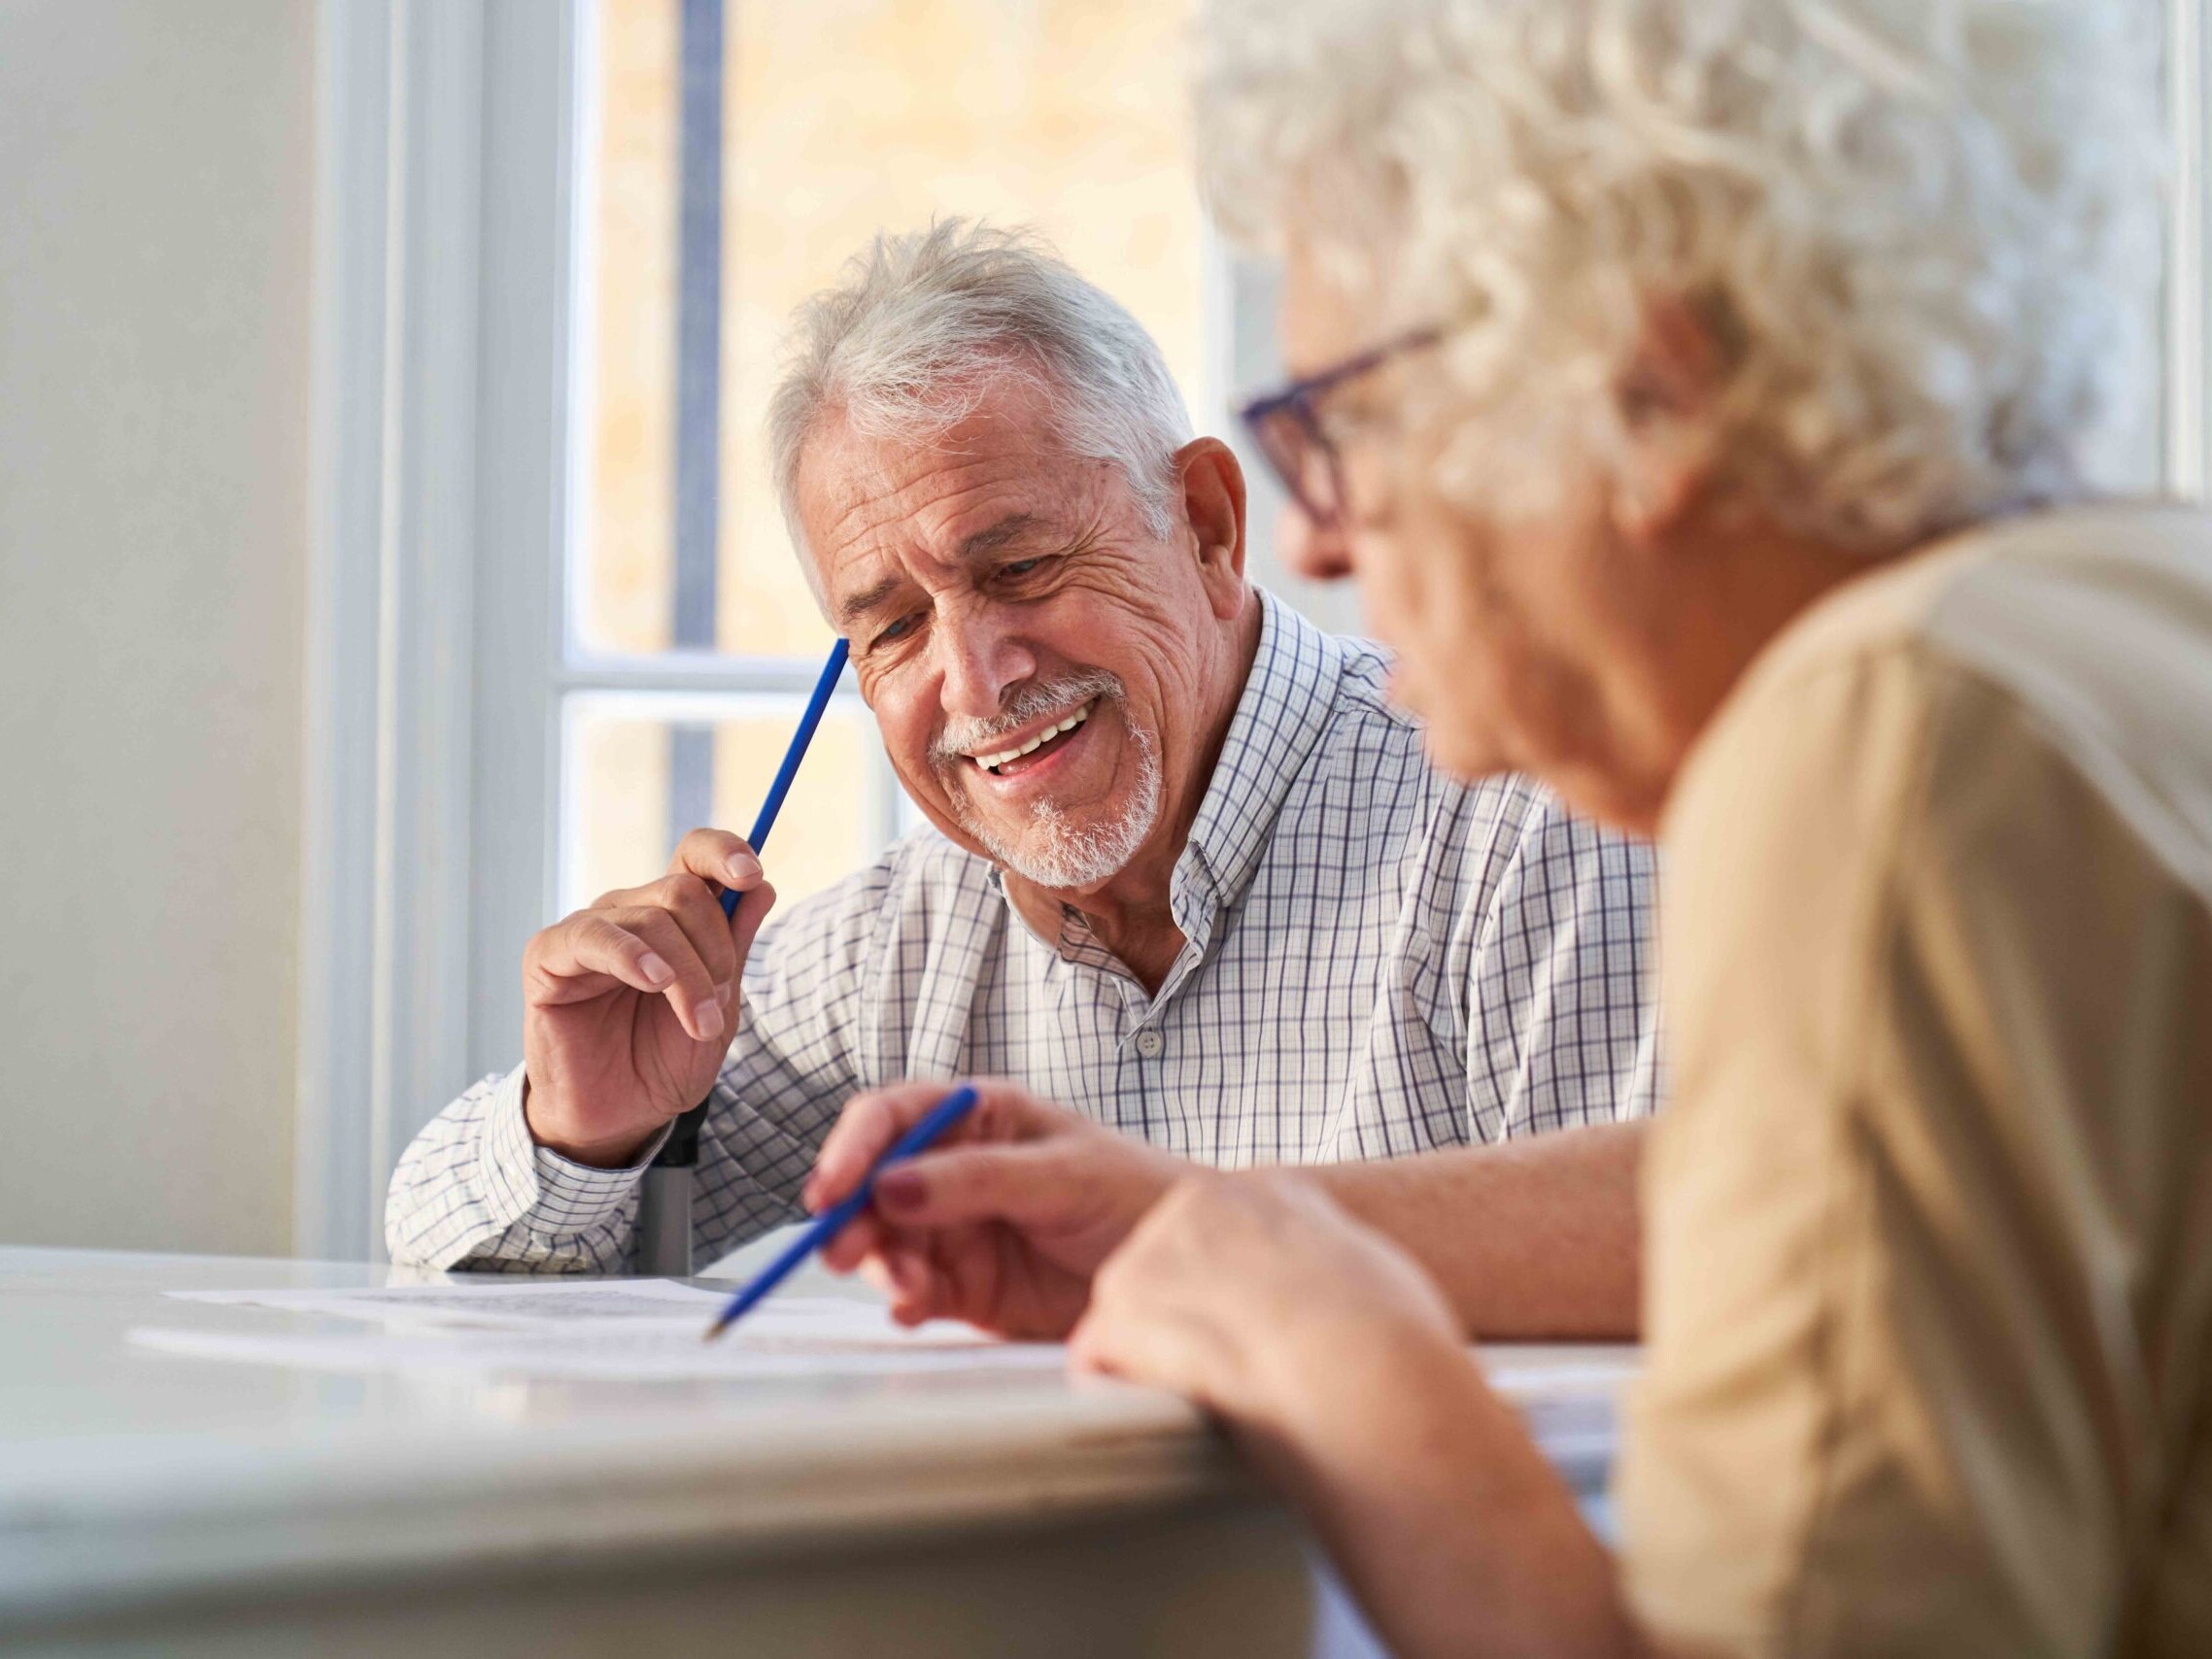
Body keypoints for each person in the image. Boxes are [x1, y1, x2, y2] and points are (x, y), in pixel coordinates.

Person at [805, 1, 2212, 1653]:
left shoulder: (1875, 736)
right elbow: (1817, 1208)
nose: (1320, 552)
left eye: (1345, 425)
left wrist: (1342, 1363)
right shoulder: (2124, 621)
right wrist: (1224, 1227)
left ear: (1650, 389)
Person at [385, 220, 1658, 1342]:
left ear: (1208, 525)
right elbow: (439, 1249)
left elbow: (1692, 1282)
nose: (978, 680)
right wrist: (585, 1128)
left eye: (1022, 568)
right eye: (889, 628)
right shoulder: (894, 947)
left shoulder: (1532, 832)